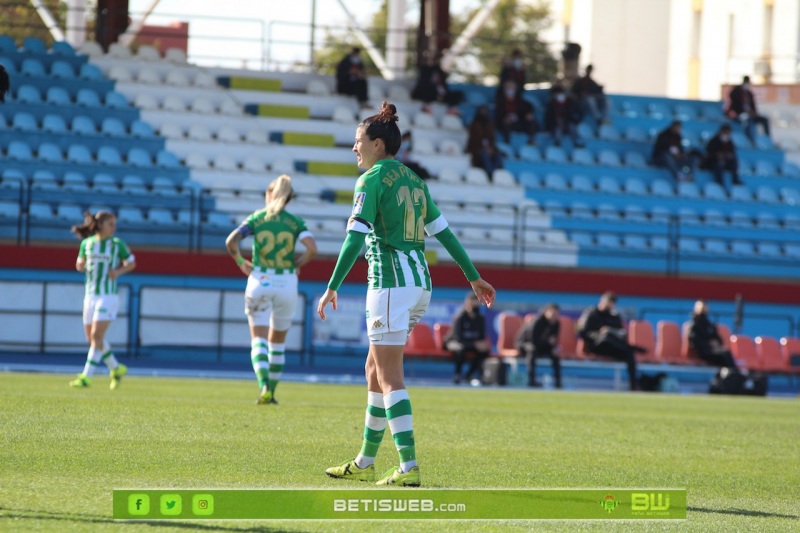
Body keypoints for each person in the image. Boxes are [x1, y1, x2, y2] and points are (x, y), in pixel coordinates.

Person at [318, 101, 496, 487]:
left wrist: (332, 285)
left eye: (358, 141)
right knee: (373, 370)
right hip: (420, 286)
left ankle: (408, 466)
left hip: (390, 285)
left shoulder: (370, 181)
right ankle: (366, 460)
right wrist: (473, 277)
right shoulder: (415, 181)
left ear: (378, 144)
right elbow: (444, 232)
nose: (354, 148)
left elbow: (355, 237)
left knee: (389, 376)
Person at [225, 175, 317, 405]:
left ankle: (263, 385)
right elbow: (312, 249)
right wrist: (297, 264)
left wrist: (240, 262)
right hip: (286, 281)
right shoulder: (295, 222)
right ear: (289, 199)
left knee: (259, 340)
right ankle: (272, 393)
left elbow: (231, 241)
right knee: (278, 343)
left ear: (270, 194)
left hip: (260, 278)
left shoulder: (257, 218)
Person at [69, 211, 136, 389]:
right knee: (93, 339)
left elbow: (131, 262)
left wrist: (118, 272)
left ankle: (86, 377)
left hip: (108, 296)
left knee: (96, 336)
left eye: (114, 224)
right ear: (100, 225)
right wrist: (80, 266)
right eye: (110, 224)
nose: (114, 228)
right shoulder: (87, 244)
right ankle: (116, 367)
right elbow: (79, 263)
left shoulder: (116, 244)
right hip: (90, 295)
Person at [577, 292, 644, 391]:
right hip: (595, 346)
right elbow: (583, 333)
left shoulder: (614, 316)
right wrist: (600, 334)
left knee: (629, 354)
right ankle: (633, 347)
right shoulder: (591, 313)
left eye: (611, 303)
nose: (609, 305)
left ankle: (633, 386)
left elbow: (622, 333)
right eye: (608, 302)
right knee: (606, 337)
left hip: (612, 347)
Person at [445, 293, 491, 384]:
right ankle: (457, 375)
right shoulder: (460, 317)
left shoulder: (480, 319)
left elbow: (481, 337)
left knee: (484, 351)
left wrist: (481, 345)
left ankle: (469, 375)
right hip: (454, 342)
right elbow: (457, 338)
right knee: (460, 349)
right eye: (473, 302)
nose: (475, 306)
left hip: (470, 344)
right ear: (468, 303)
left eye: (477, 303)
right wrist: (474, 344)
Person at [516, 303, 562, 388]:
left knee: (555, 355)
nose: (554, 316)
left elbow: (554, 340)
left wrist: (553, 347)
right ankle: (531, 380)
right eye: (552, 313)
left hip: (542, 345)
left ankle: (558, 382)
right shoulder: (537, 321)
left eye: (556, 314)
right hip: (525, 343)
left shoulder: (556, 323)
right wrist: (547, 341)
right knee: (532, 351)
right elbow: (532, 339)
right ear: (546, 312)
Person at [689, 300, 739, 371]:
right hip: (703, 352)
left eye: (705, 307)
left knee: (726, 353)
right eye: (701, 307)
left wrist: (716, 344)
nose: (704, 309)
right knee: (724, 356)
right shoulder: (694, 326)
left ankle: (734, 374)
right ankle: (732, 374)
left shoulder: (709, 325)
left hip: (713, 351)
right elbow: (695, 342)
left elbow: (718, 338)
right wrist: (708, 345)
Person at [726, 75, 771, 144]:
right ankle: (750, 140)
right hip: (740, 114)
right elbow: (732, 99)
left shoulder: (749, 94)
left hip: (750, 114)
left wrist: (754, 113)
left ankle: (768, 139)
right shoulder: (737, 92)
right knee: (747, 121)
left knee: (764, 120)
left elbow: (753, 106)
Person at [494, 80, 538, 145]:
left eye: (512, 87)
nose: (510, 89)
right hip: (506, 124)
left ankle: (531, 141)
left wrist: (528, 114)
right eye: (507, 87)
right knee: (505, 124)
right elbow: (497, 117)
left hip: (520, 122)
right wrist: (504, 119)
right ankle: (507, 144)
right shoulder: (500, 103)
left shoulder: (521, 101)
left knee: (532, 123)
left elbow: (528, 108)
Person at [466, 105, 504, 178]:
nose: (483, 113)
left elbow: (492, 139)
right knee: (484, 155)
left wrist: (491, 148)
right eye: (482, 111)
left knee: (498, 154)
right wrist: (484, 148)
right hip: (476, 149)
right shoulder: (474, 124)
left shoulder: (490, 124)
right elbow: (473, 140)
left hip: (489, 147)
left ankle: (498, 173)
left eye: (485, 111)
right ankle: (490, 174)